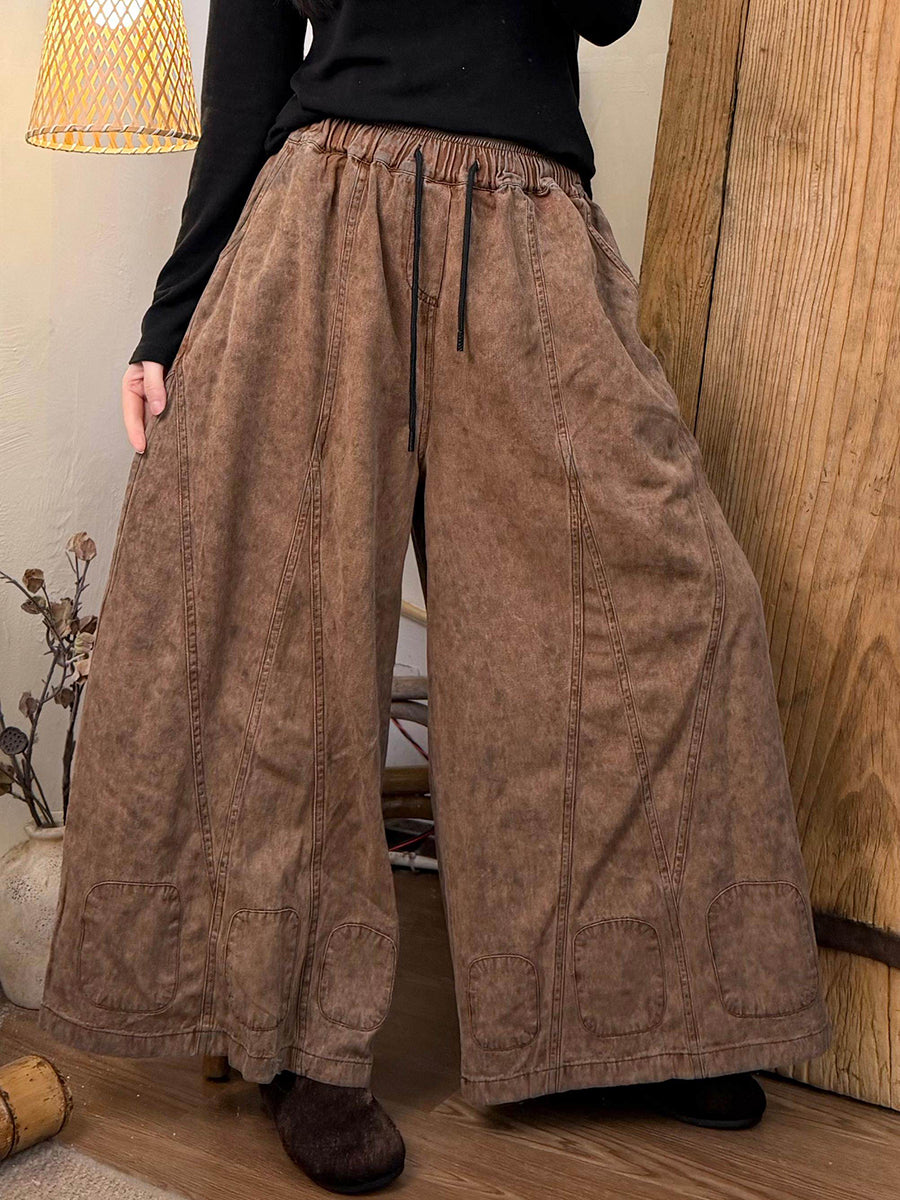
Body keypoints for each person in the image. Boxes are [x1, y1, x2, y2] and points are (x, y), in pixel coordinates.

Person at [38, 1, 831, 1193]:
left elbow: (608, 11)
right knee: (285, 645)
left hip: (527, 227)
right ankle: (299, 1042)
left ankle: (620, 1016)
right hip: (321, 218)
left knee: (657, 609)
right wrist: (171, 320)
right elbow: (247, 76)